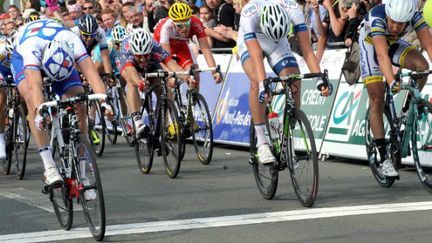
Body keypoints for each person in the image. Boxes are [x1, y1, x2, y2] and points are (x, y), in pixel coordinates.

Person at [10, 19, 112, 188]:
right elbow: (35, 86)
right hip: (23, 56)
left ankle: (82, 170)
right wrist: (40, 113)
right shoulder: (30, 50)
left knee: (80, 100)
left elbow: (92, 74)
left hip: (60, 58)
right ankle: (49, 166)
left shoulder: (72, 41)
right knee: (30, 98)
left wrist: (104, 102)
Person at [237, 0, 331, 164]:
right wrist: (262, 86)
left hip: (278, 41)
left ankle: (287, 132)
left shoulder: (293, 9)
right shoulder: (249, 13)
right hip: (253, 41)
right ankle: (262, 143)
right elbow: (257, 57)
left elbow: (307, 49)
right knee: (255, 80)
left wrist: (318, 78)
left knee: (294, 79)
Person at [359, 0, 432, 177]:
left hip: (393, 45)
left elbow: (429, 46)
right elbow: (382, 55)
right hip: (371, 46)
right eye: (392, 21)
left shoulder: (415, 15)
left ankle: (407, 112)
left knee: (422, 67)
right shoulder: (378, 17)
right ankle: (384, 158)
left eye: (400, 24)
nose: (394, 27)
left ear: (408, 19)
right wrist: (391, 81)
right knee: (377, 97)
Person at [115, 28, 190, 136]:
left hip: (152, 64)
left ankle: (160, 125)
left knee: (163, 89)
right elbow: (132, 72)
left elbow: (172, 65)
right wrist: (140, 82)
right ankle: (137, 121)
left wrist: (187, 77)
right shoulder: (126, 51)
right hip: (129, 66)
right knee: (131, 82)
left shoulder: (156, 47)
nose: (142, 59)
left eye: (145, 55)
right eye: (139, 56)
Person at [153, 2, 221, 85]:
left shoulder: (196, 23)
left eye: (187, 23)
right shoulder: (165, 27)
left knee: (193, 74)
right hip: (162, 49)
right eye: (180, 25)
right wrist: (179, 74)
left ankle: (194, 96)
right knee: (171, 80)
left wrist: (214, 72)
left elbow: (206, 50)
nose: (184, 28)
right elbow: (167, 59)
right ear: (173, 24)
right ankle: (170, 96)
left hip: (181, 46)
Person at [0, 31, 16, 160]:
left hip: (18, 70)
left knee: (23, 98)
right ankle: (1, 140)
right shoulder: (2, 50)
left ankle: (22, 125)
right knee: (1, 98)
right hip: (2, 72)